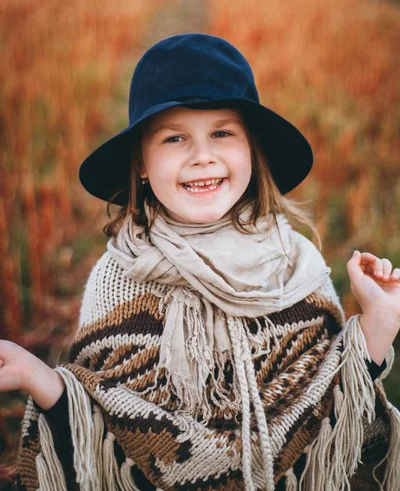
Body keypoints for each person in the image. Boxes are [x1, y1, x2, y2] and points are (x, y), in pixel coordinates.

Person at [1, 33, 399, 491]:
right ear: (141, 166)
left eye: (222, 133)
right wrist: (45, 383)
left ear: (252, 148)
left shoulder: (294, 263)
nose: (202, 156)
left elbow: (338, 416)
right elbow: (108, 437)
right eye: (174, 138)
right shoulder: (116, 283)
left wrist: (379, 325)